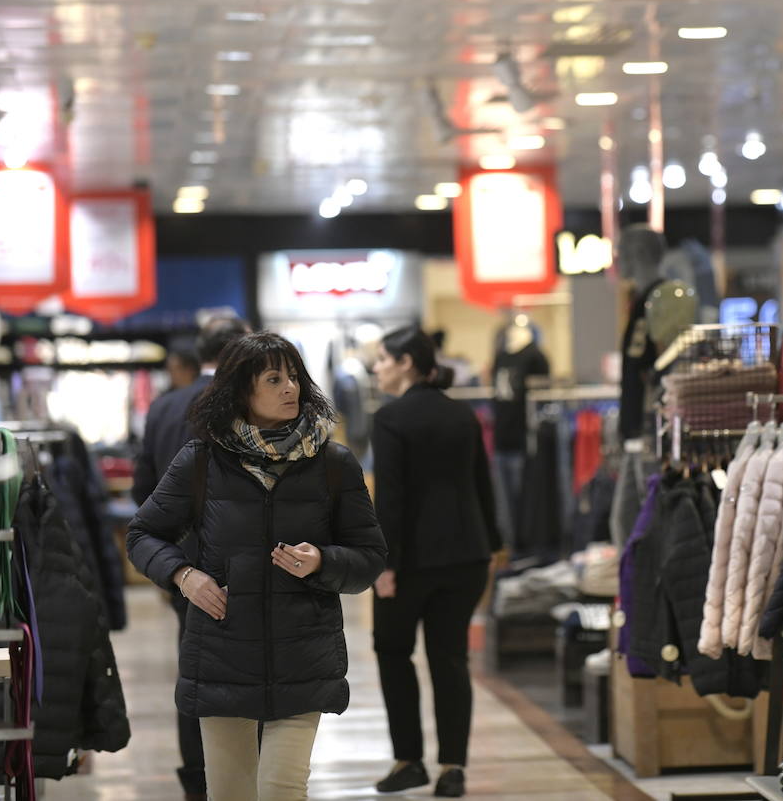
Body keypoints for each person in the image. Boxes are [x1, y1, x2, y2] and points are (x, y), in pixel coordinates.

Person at [127, 332, 387, 801]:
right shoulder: (201, 461)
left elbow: (369, 558)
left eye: (294, 377)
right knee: (230, 792)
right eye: (274, 378)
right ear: (241, 390)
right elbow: (143, 535)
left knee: (281, 789)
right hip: (222, 654)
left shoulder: (333, 464)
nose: (291, 388)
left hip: (303, 656)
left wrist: (323, 561)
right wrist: (185, 576)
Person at [370, 327, 503, 797]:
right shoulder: (462, 413)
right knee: (450, 659)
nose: (376, 367)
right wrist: (494, 543)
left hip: (412, 562)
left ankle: (409, 760)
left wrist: (384, 565)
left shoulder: (389, 418)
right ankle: (453, 769)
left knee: (392, 651)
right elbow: (482, 484)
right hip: (467, 554)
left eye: (382, 359)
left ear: (406, 362)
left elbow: (392, 498)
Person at [131, 316, 249, 801]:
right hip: (245, 563)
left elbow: (143, 493)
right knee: (254, 671)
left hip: (182, 565)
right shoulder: (246, 406)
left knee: (194, 670)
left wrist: (171, 566)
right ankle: (248, 778)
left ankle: (198, 782)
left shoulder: (163, 408)